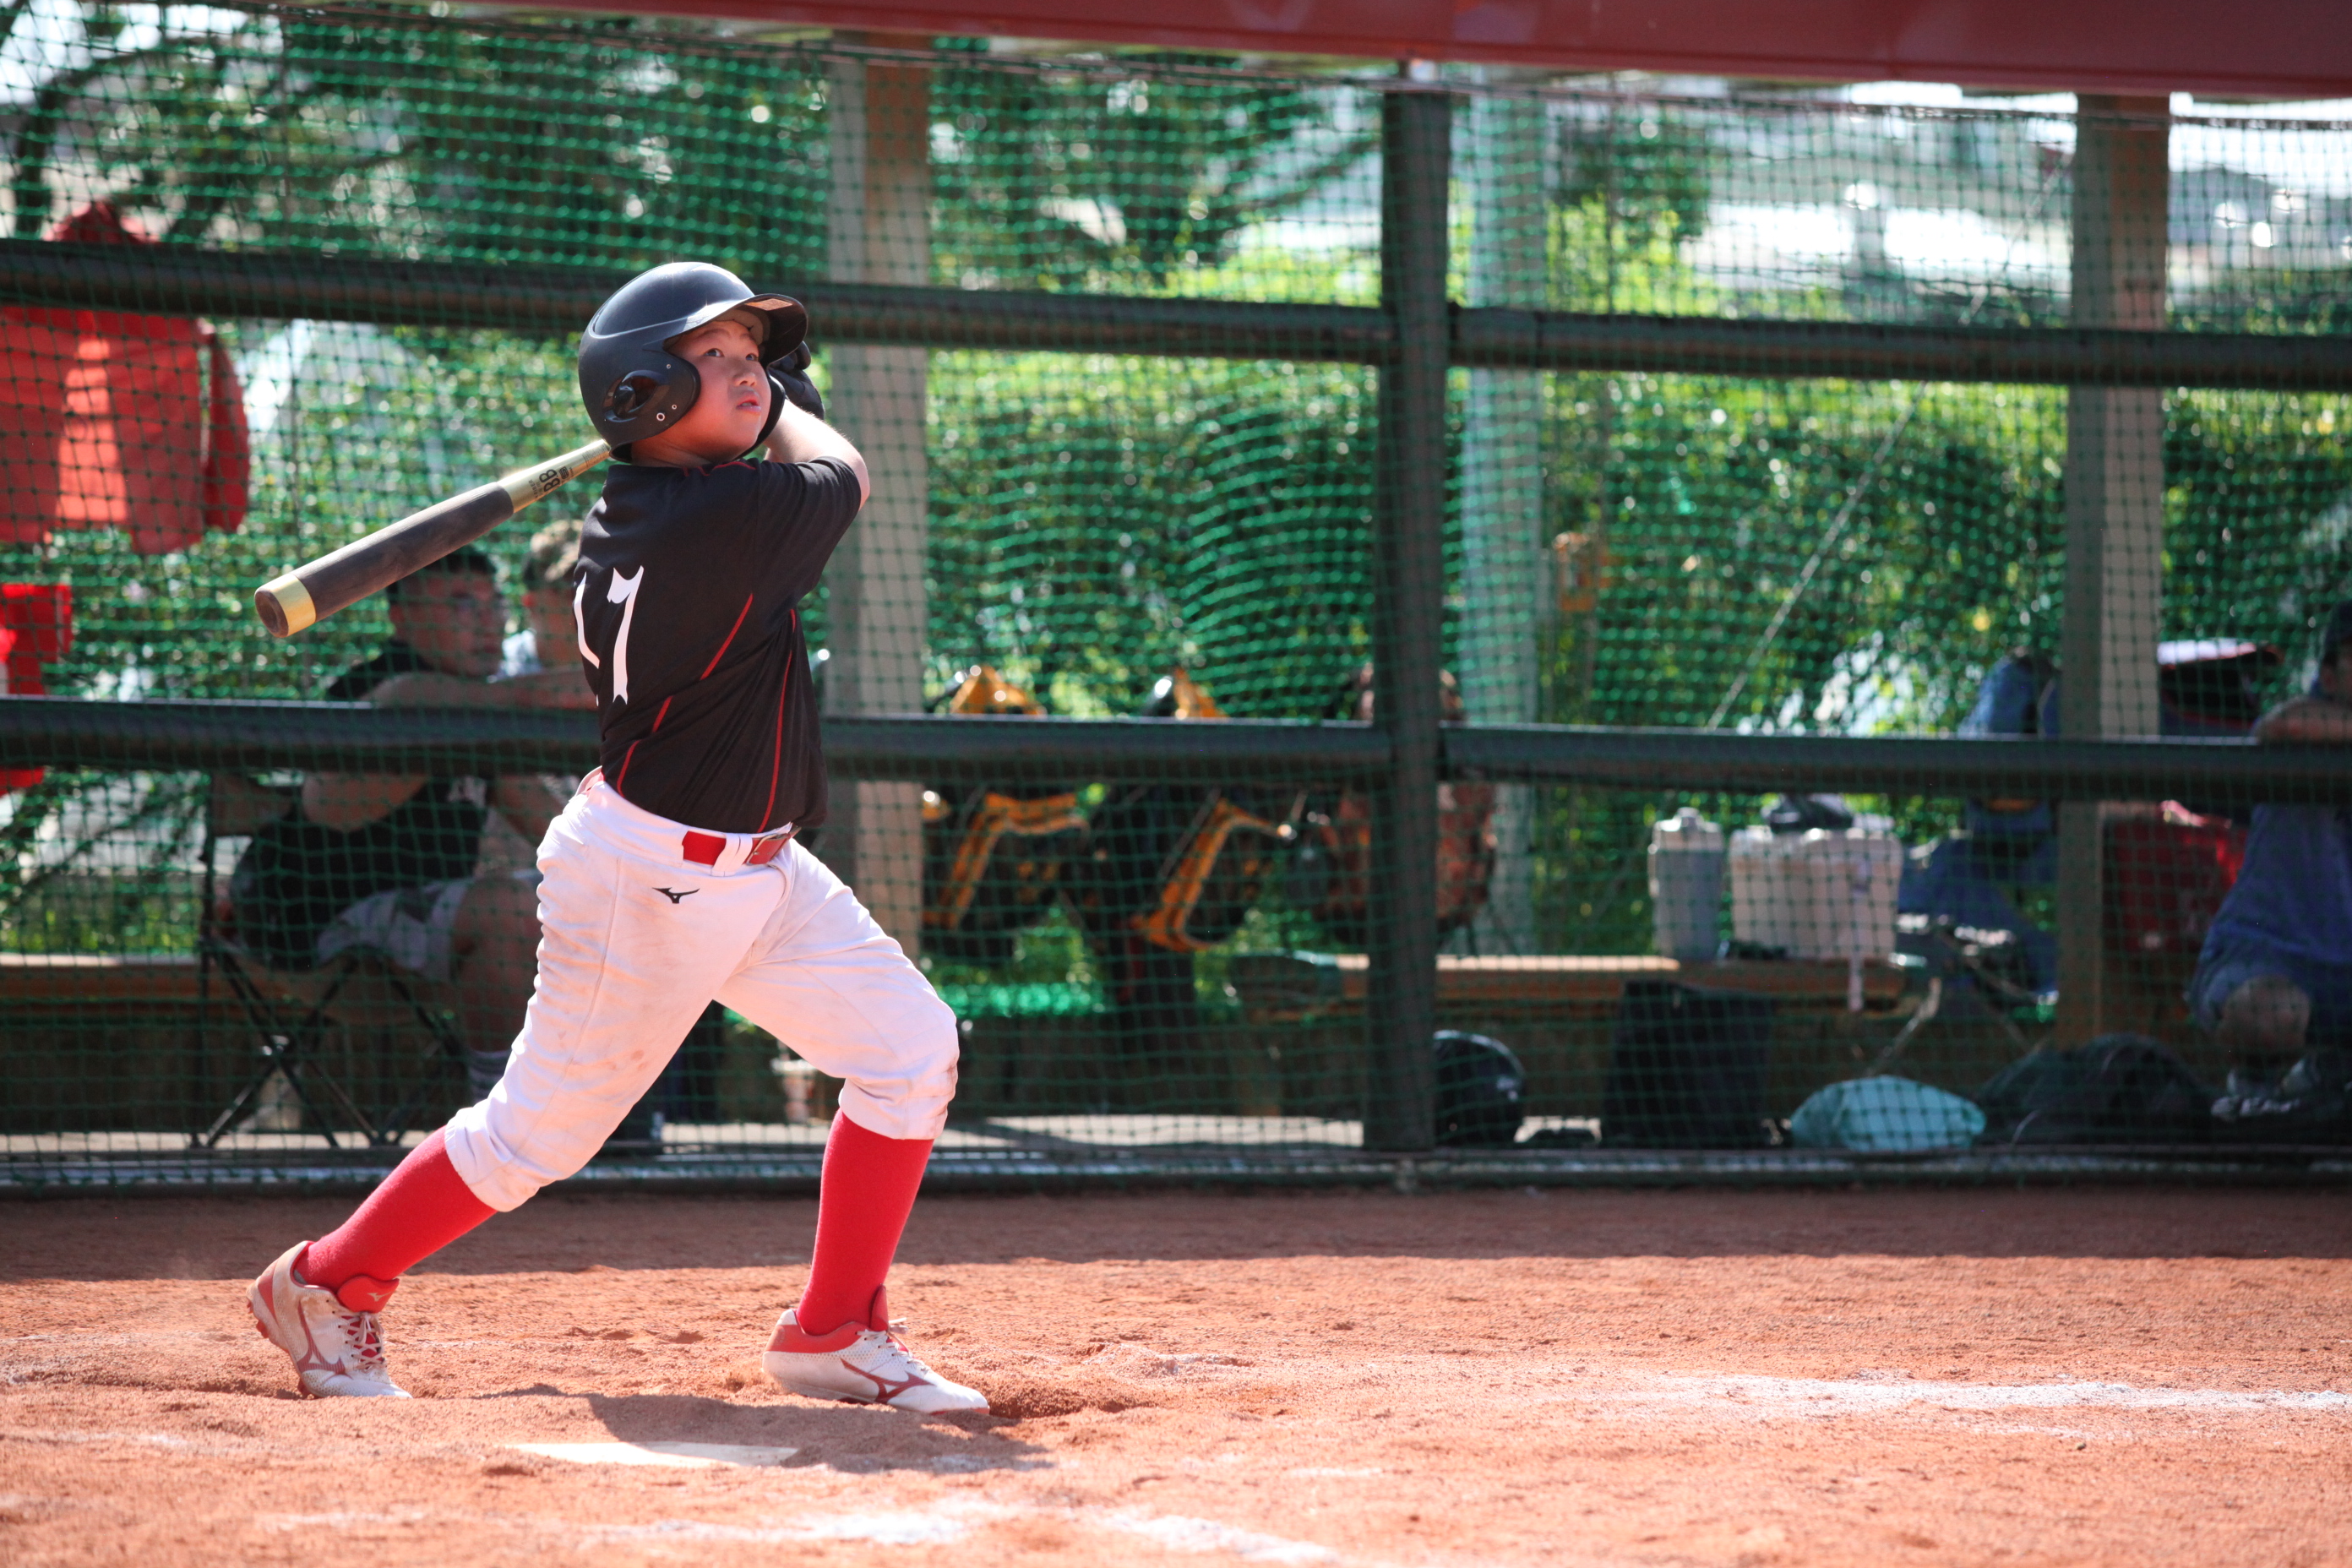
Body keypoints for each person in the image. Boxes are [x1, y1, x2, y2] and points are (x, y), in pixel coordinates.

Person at [245, 261, 984, 1415]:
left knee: (910, 1050)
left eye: (754, 355)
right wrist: (782, 409)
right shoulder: (721, 521)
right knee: (531, 1139)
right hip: (654, 880)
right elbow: (842, 471)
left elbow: (776, 461)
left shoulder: (644, 508)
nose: (752, 373)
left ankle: (835, 1327)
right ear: (642, 391)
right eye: (719, 357)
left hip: (756, 865)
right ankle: (328, 1281)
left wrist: (744, 398)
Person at [230, 547, 591, 1096]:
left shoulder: (479, 710)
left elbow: (557, 833)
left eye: (493, 604)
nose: (488, 622)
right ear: (403, 618)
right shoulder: (388, 686)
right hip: (313, 934)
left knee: (594, 891)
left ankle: (602, 1101)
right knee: (508, 907)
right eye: (462, 604)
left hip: (420, 935)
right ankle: (503, 1109)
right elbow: (525, 693)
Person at [2187, 601, 2352, 1075]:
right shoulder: (2307, 728)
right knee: (2270, 1013)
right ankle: (2260, 1098)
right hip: (2266, 960)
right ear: (2330, 676)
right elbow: (2281, 725)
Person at [498, 515, 582, 678]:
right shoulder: (501, 670)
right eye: (569, 590)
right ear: (530, 603)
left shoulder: (628, 659)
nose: (584, 600)